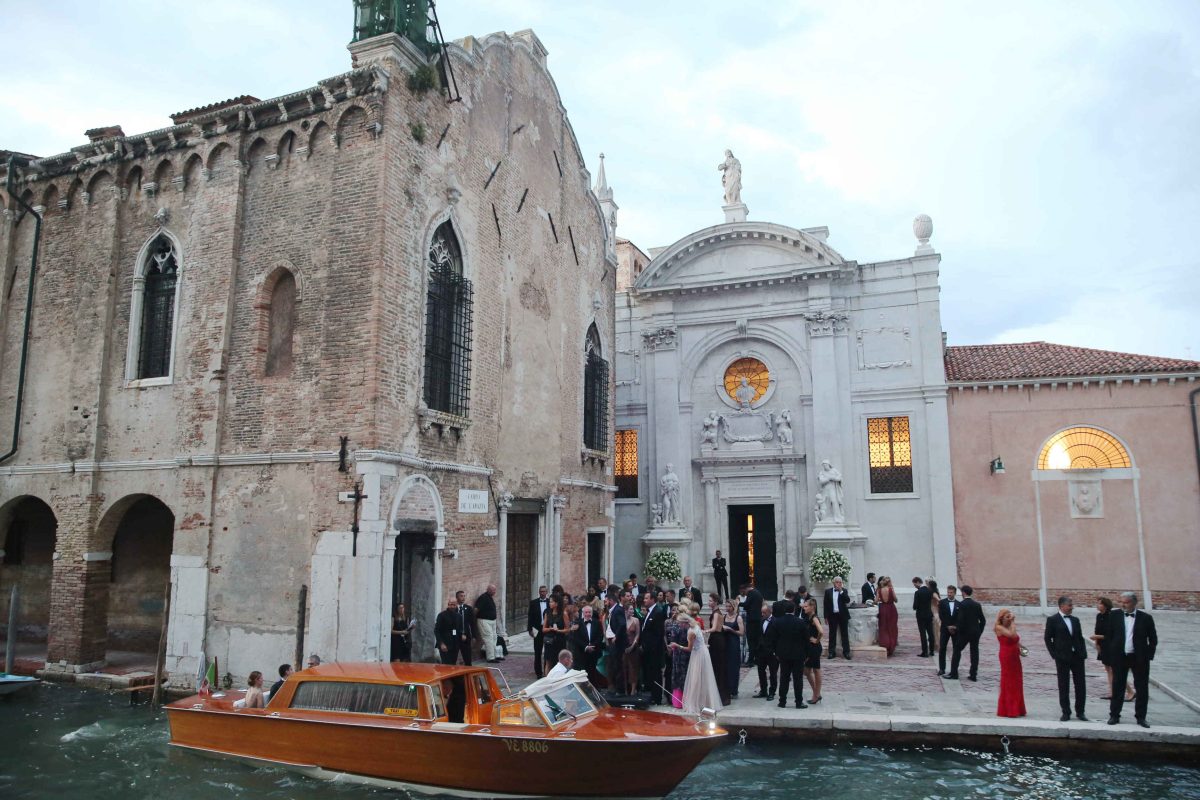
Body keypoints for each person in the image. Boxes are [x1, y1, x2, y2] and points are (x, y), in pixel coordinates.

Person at [1106, 591, 1157, 727]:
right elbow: (1109, 636)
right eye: (1121, 602)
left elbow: (1153, 639)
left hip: (1139, 657)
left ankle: (1141, 717)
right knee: (1118, 686)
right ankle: (1114, 715)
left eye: (1126, 602)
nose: (1123, 604)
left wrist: (1148, 656)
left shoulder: (1146, 618)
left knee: (1141, 687)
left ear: (1135, 603)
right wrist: (1112, 654)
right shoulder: (1114, 615)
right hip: (1120, 656)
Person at [1044, 595, 1088, 721]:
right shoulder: (1053, 620)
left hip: (1077, 657)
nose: (1071, 607)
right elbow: (1048, 638)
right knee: (1064, 685)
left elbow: (1080, 637)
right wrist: (1055, 654)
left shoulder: (1075, 620)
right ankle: (1066, 711)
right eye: (1069, 605)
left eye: (1071, 605)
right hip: (1062, 657)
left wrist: (1083, 653)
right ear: (1062, 606)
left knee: (1080, 685)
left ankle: (1080, 711)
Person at [675, 603, 723, 714]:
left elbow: (689, 648)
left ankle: (696, 703)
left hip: (698, 654)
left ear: (684, 623)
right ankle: (704, 702)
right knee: (703, 677)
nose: (679, 625)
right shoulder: (696, 625)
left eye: (680, 623)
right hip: (702, 652)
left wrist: (677, 646)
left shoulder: (691, 631)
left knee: (696, 679)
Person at [1090, 597, 1134, 703]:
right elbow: (1097, 630)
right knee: (1108, 670)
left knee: (1115, 671)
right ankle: (1112, 692)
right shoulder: (1099, 616)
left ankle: (1130, 691)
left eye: (1100, 604)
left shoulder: (1111, 616)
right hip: (1103, 646)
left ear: (1105, 605)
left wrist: (1097, 637)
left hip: (1111, 645)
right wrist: (1097, 644)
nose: (1098, 605)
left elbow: (1110, 634)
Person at [767, 600, 809, 709]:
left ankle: (782, 701)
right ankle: (798, 702)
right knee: (798, 679)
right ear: (794, 610)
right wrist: (806, 654)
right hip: (798, 654)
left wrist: (776, 652)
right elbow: (806, 639)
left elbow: (773, 639)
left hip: (783, 654)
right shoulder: (800, 622)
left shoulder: (777, 622)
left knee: (784, 678)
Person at [949, 585, 986, 680]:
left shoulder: (962, 604)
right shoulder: (977, 604)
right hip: (975, 632)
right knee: (974, 652)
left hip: (964, 633)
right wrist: (979, 631)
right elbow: (983, 620)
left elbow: (961, 620)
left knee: (957, 650)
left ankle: (954, 673)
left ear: (964, 593)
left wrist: (956, 630)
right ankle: (973, 675)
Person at [995, 609, 1026, 717]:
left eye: (1010, 616)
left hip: (1015, 656)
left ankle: (1018, 708)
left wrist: (1022, 648)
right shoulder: (999, 628)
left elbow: (1016, 639)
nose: (1009, 619)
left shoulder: (1009, 627)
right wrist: (1013, 622)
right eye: (1007, 617)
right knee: (1009, 681)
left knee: (1017, 680)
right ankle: (1009, 709)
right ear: (1001, 618)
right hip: (1006, 656)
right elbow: (1012, 635)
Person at [640, 592, 668, 703]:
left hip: (654, 651)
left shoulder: (658, 612)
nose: (644, 600)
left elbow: (657, 634)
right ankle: (650, 695)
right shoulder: (649, 612)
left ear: (652, 599)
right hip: (647, 650)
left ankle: (656, 697)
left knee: (656, 674)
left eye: (646, 598)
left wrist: (649, 648)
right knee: (649, 674)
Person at [571, 603, 604, 682]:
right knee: (582, 671)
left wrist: (593, 646)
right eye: (586, 612)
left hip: (594, 651)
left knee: (593, 670)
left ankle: (594, 688)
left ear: (592, 613)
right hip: (582, 652)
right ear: (583, 613)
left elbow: (600, 636)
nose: (588, 614)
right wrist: (585, 646)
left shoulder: (597, 623)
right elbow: (575, 638)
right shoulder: (578, 622)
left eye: (589, 612)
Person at [753, 602, 779, 700]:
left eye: (764, 613)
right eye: (762, 613)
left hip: (772, 652)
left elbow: (778, 638)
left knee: (773, 673)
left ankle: (772, 692)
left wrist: (776, 652)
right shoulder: (761, 621)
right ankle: (763, 690)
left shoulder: (776, 622)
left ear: (770, 611)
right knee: (761, 671)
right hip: (761, 651)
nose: (762, 615)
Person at [607, 590, 631, 691]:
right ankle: (617, 688)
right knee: (615, 664)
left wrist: (616, 636)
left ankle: (619, 689)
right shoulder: (616, 609)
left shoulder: (618, 610)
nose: (605, 603)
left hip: (618, 642)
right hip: (615, 642)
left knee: (618, 665)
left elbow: (621, 624)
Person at [823, 576, 852, 659]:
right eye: (837, 582)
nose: (839, 584)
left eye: (840, 582)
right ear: (833, 583)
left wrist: (841, 591)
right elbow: (825, 605)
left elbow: (847, 600)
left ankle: (846, 652)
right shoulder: (828, 592)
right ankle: (831, 652)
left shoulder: (844, 591)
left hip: (843, 615)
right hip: (832, 616)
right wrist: (825, 617)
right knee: (832, 634)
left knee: (844, 634)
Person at [720, 599, 743, 700]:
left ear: (733, 607)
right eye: (726, 606)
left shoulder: (738, 618)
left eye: (729, 606)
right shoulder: (723, 617)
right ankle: (726, 689)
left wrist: (731, 630)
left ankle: (734, 689)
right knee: (725, 666)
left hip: (734, 643)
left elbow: (742, 632)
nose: (727, 608)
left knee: (733, 667)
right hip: (725, 643)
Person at [802, 598, 824, 704]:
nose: (804, 608)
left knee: (816, 670)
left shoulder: (814, 618)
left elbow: (821, 631)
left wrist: (816, 640)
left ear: (812, 607)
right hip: (809, 648)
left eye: (806, 606)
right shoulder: (808, 617)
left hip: (814, 648)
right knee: (806, 671)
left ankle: (816, 694)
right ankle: (816, 693)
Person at [936, 585, 960, 676]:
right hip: (945, 628)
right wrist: (948, 626)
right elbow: (941, 615)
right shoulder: (942, 602)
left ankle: (954, 669)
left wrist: (955, 627)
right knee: (942, 648)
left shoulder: (959, 604)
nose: (949, 594)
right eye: (948, 592)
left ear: (955, 593)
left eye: (951, 592)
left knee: (956, 649)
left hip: (955, 630)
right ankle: (942, 668)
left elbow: (960, 618)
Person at [542, 595, 568, 678]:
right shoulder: (547, 613)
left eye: (551, 601)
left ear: (556, 603)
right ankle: (547, 680)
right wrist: (550, 629)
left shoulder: (563, 614)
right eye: (549, 602)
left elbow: (567, 629)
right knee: (548, 661)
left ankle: (560, 679)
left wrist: (558, 630)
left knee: (559, 661)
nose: (550, 603)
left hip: (560, 640)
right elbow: (543, 629)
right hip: (549, 641)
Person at [527, 586, 550, 678]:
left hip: (547, 629)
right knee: (537, 652)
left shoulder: (550, 602)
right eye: (541, 591)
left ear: (546, 592)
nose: (542, 593)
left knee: (548, 651)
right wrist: (530, 629)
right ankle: (538, 673)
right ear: (539, 592)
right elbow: (530, 617)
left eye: (544, 591)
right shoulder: (533, 603)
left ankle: (546, 670)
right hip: (537, 629)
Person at [435, 597, 464, 665]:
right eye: (451, 604)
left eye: (454, 605)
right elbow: (437, 630)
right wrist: (441, 643)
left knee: (453, 664)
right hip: (445, 644)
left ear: (456, 605)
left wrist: (462, 634)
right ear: (448, 605)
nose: (452, 606)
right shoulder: (441, 615)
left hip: (455, 645)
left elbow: (460, 629)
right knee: (446, 664)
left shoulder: (459, 616)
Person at [475, 585, 500, 663]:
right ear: (488, 590)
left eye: (495, 590)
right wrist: (474, 619)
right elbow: (476, 609)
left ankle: (494, 654)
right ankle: (490, 658)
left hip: (492, 621)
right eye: (493, 590)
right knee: (488, 638)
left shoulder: (490, 597)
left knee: (494, 638)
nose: (494, 592)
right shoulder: (483, 597)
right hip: (484, 621)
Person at [876, 576, 898, 657]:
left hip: (883, 608)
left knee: (883, 627)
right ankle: (891, 646)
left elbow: (876, 600)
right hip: (891, 608)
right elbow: (896, 600)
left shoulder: (879, 589)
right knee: (892, 627)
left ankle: (885, 644)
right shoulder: (890, 589)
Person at [742, 582, 764, 666]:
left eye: (744, 591)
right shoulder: (758, 593)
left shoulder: (751, 593)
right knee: (756, 640)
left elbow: (747, 605)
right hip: (757, 619)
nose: (745, 593)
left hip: (752, 620)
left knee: (751, 641)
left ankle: (750, 661)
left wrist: (738, 603)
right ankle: (757, 659)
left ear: (747, 588)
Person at [623, 603, 642, 696]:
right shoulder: (622, 621)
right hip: (624, 648)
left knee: (633, 668)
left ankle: (633, 690)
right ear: (626, 611)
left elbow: (638, 633)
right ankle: (625, 689)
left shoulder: (636, 620)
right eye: (630, 609)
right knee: (624, 667)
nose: (632, 611)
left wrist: (633, 644)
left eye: (632, 609)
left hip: (633, 647)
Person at [912, 577, 934, 657]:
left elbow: (915, 606)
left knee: (923, 634)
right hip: (929, 614)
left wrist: (915, 606)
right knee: (931, 633)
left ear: (918, 582)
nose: (914, 586)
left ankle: (925, 652)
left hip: (921, 615)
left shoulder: (918, 592)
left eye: (914, 584)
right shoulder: (930, 591)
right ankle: (931, 651)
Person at [453, 590, 475, 665]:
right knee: (453, 658)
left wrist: (474, 636)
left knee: (467, 658)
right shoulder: (453, 609)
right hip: (455, 636)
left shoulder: (468, 609)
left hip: (466, 636)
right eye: (461, 596)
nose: (463, 598)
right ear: (457, 598)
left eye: (464, 596)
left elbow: (472, 623)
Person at [928, 579, 942, 655]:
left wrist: (938, 606)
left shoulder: (933, 593)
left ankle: (938, 645)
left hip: (934, 612)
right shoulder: (934, 592)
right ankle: (936, 645)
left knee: (936, 630)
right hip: (934, 611)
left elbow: (939, 601)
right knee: (935, 630)